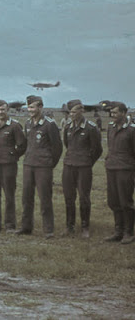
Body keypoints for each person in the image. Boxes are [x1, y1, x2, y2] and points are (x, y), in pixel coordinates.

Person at [16, 95, 62, 239]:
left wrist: (49, 164)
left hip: (43, 166)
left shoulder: (49, 124)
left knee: (44, 198)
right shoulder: (28, 123)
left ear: (40, 107)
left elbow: (57, 148)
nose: (30, 110)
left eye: (33, 107)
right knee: (26, 198)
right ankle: (26, 226)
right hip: (29, 164)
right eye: (29, 107)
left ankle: (48, 229)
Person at [61, 99, 102, 238]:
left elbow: (97, 150)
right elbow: (67, 145)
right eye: (70, 112)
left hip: (84, 167)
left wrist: (87, 162)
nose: (71, 114)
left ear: (81, 110)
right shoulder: (68, 126)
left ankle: (85, 227)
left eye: (74, 112)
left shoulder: (91, 127)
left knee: (84, 197)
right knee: (68, 197)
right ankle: (69, 226)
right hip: (69, 165)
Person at [0, 100, 26, 234]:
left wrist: (12, 156)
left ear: (7, 110)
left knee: (9, 195)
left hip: (8, 165)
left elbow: (22, 145)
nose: (0, 112)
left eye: (3, 109)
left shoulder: (14, 126)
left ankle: (9, 224)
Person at [104, 101, 135, 244]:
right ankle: (118, 231)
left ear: (124, 113)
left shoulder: (131, 130)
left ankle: (129, 232)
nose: (113, 115)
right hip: (111, 168)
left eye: (116, 112)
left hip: (125, 170)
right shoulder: (110, 127)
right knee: (113, 201)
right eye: (111, 112)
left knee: (125, 202)